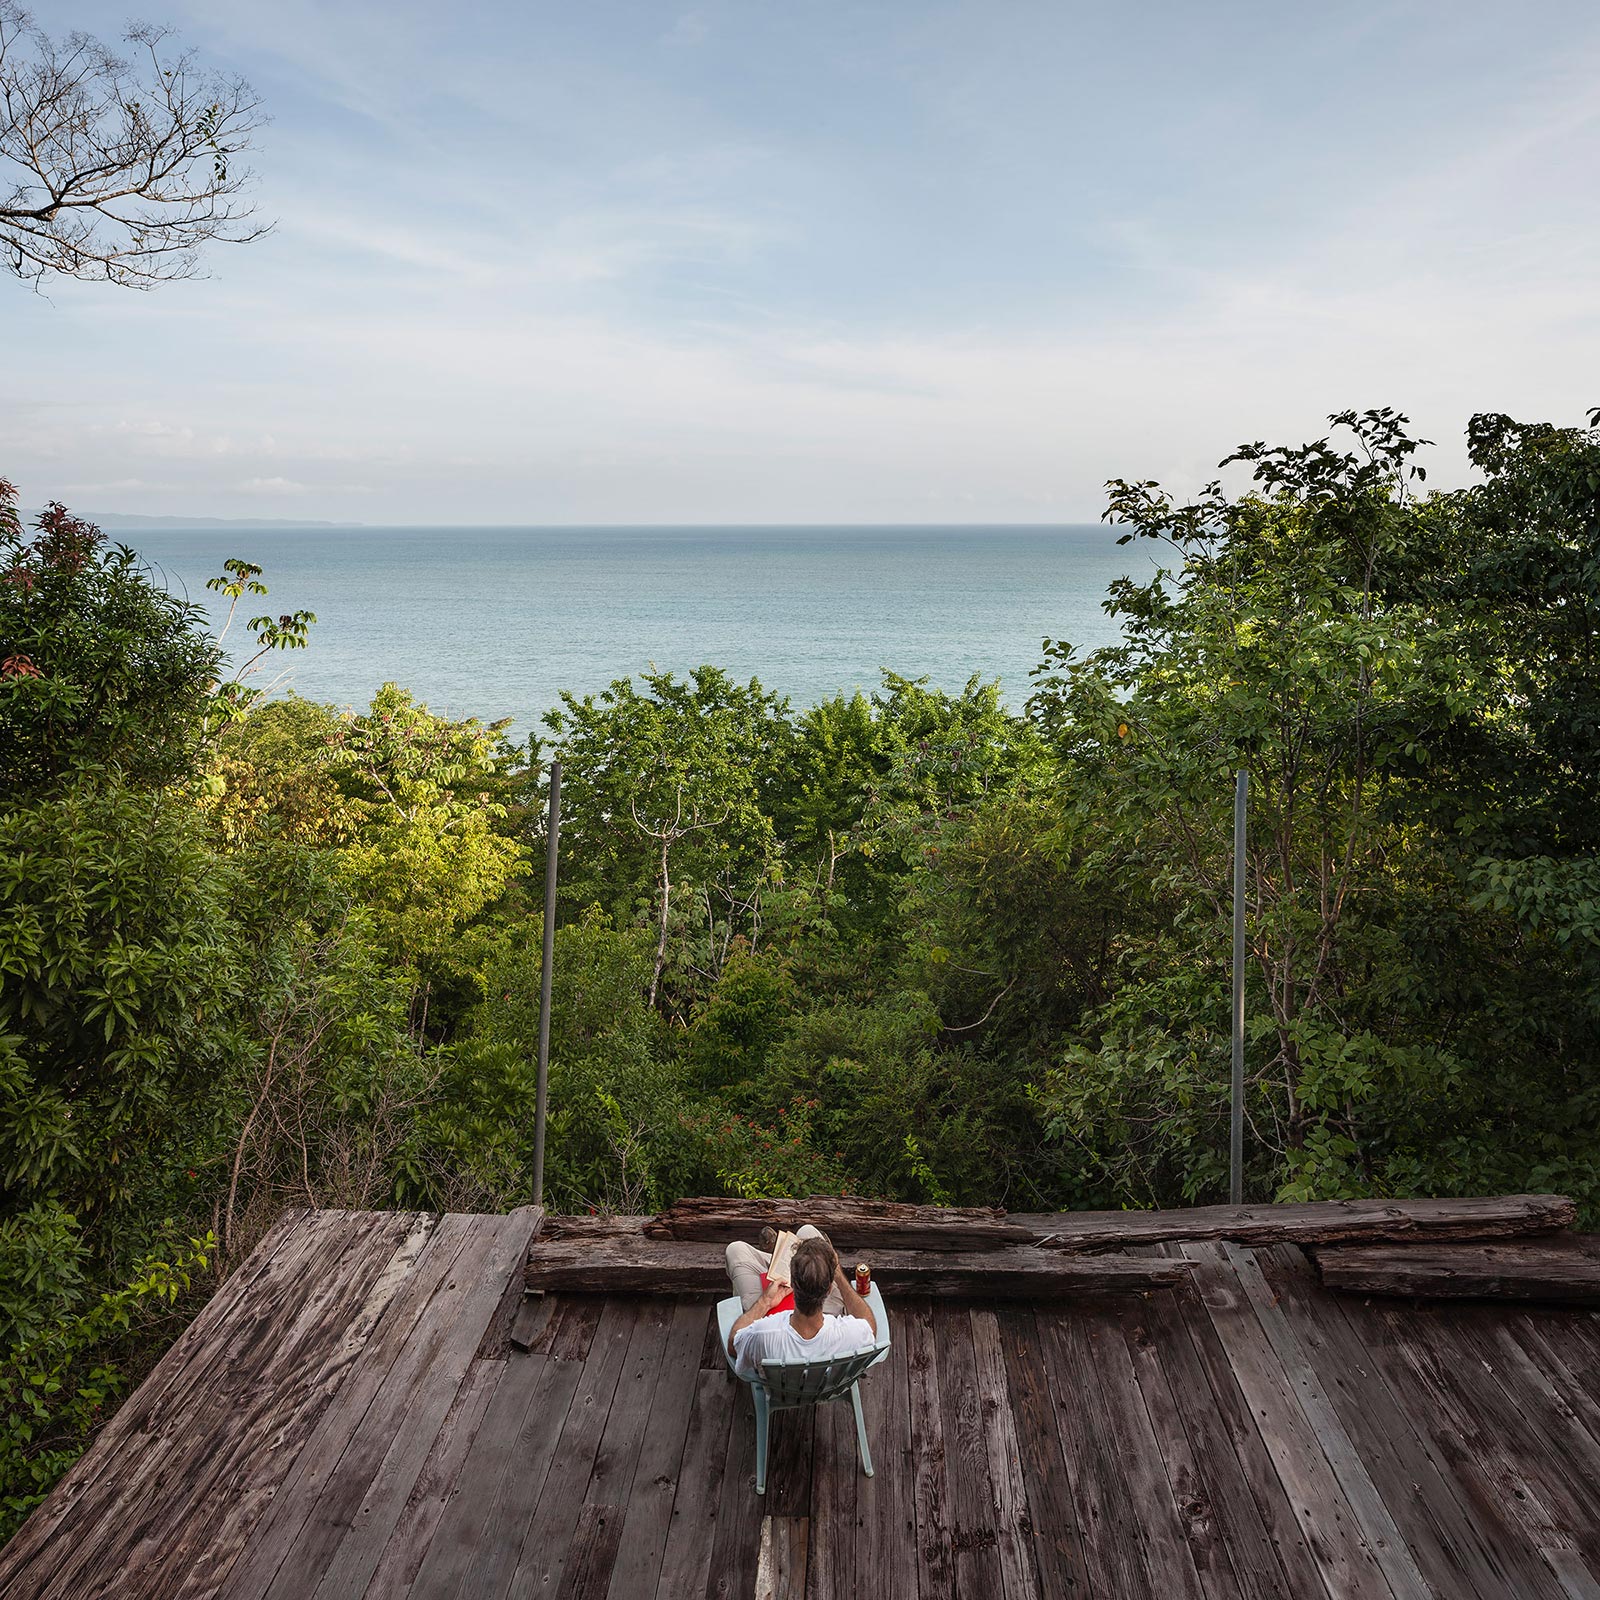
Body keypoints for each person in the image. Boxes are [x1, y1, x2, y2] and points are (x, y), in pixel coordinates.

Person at [725, 1228, 877, 1380]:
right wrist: (838, 1274)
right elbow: (870, 1328)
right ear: (829, 1289)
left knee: (735, 1250)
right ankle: (780, 1256)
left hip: (778, 1382)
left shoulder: (762, 1334)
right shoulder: (849, 1333)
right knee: (807, 1230)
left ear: (792, 1283)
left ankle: (775, 1256)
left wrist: (765, 1301)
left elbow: (733, 1345)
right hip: (827, 1374)